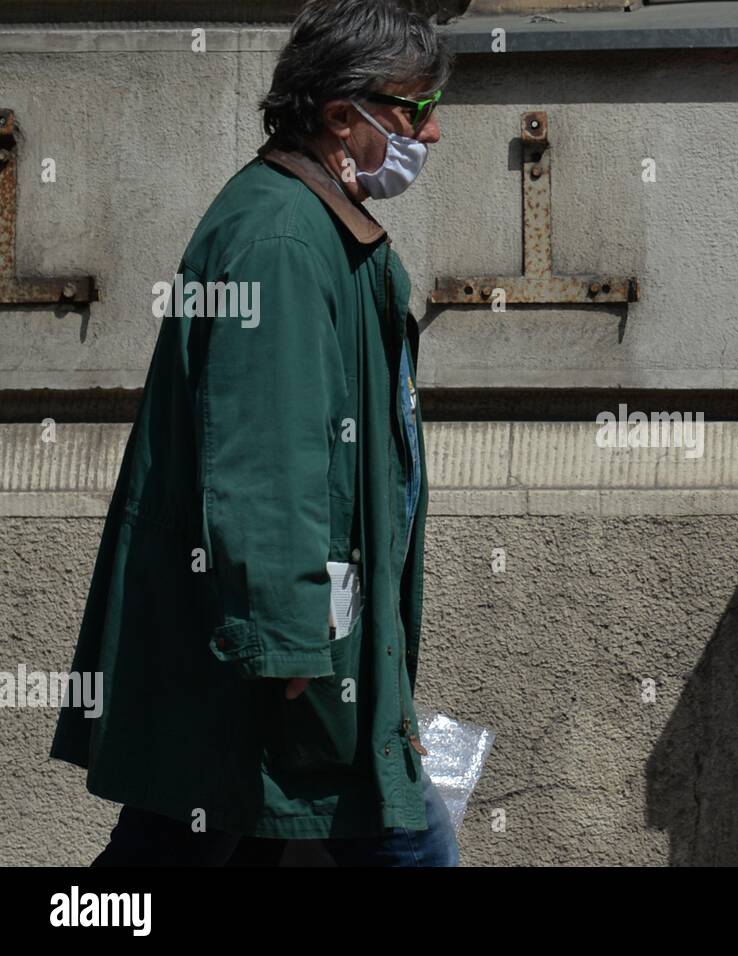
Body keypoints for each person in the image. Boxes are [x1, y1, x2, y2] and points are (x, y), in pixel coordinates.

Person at [48, 0, 458, 867]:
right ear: (344, 115)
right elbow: (268, 460)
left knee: (184, 839)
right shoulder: (282, 239)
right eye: (415, 110)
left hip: (292, 647)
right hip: (286, 652)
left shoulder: (311, 227)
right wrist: (288, 640)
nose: (432, 132)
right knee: (406, 846)